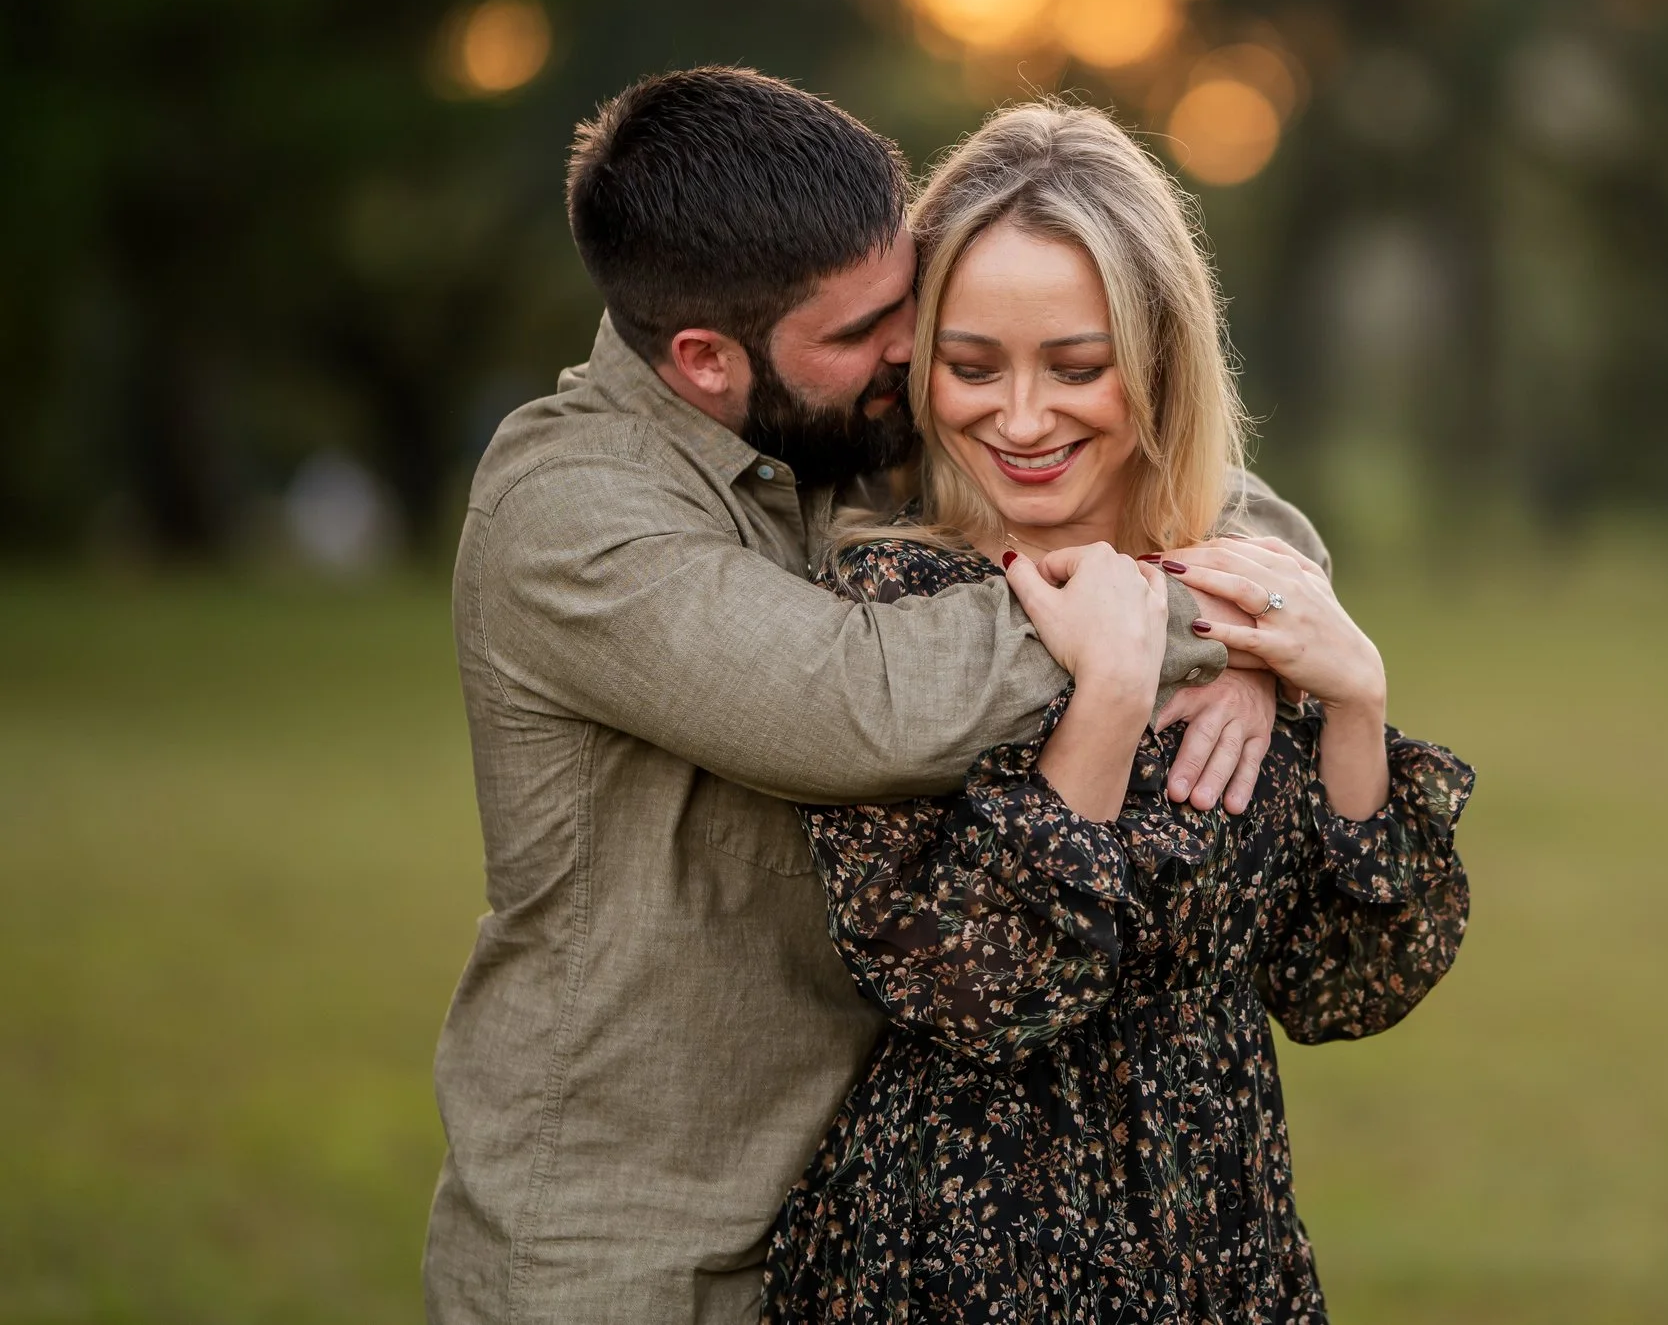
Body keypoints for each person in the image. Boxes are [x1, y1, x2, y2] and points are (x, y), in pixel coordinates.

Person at [423, 68, 1324, 1325]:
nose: (906, 355)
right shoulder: (571, 516)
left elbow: (1204, 479)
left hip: (849, 1222)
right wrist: (1191, 627)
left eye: (907, 307)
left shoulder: (837, 418)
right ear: (705, 361)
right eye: (862, 333)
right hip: (628, 1246)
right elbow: (863, 702)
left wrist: (1277, 626)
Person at [760, 102, 1473, 1322]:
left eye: (1077, 368)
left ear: (1158, 358)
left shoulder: (1238, 587)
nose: (1023, 419)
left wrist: (1352, 700)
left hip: (1214, 1241)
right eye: (973, 365)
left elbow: (1341, 984)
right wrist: (1110, 696)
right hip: (962, 1249)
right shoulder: (886, 603)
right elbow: (981, 998)